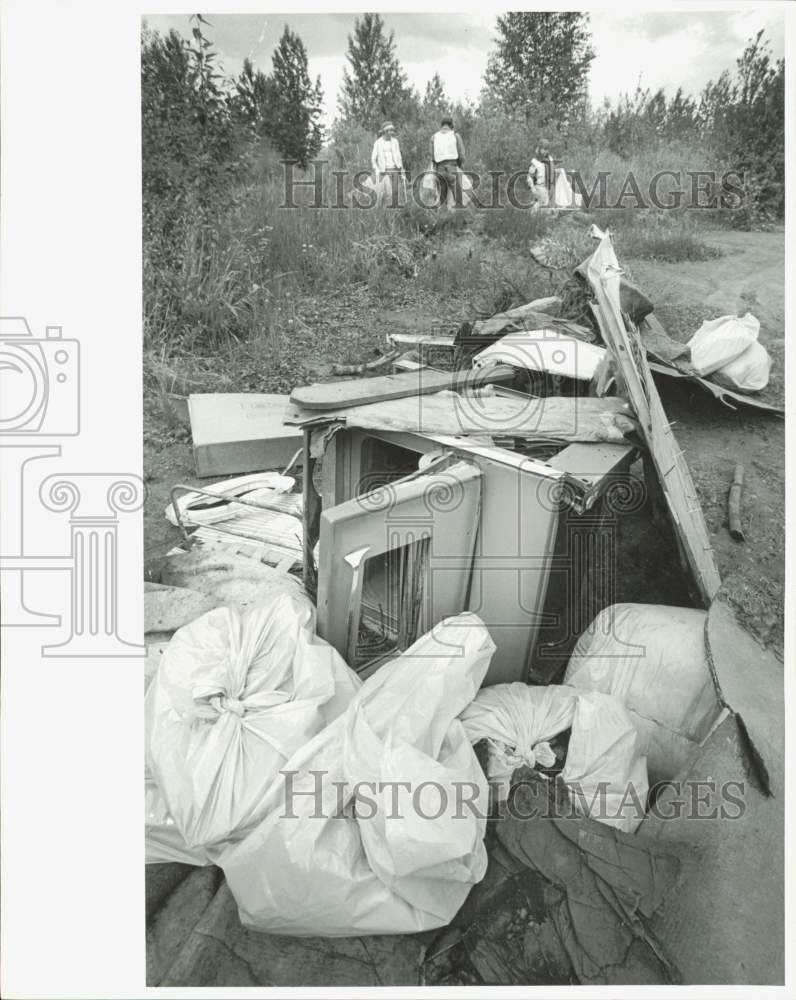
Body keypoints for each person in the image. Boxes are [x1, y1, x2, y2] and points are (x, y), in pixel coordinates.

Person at [430, 116, 466, 208]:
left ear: (442, 126)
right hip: (452, 167)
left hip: (439, 169)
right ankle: (459, 216)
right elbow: (461, 155)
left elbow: (432, 156)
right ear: (451, 125)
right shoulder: (455, 136)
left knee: (442, 198)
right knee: (458, 198)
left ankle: (441, 217)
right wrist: (460, 165)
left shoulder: (434, 137)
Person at [371, 121, 405, 206]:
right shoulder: (378, 143)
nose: (392, 133)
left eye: (392, 130)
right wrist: (377, 170)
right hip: (384, 171)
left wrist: (402, 169)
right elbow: (373, 159)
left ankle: (395, 213)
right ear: (385, 131)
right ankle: (385, 213)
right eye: (390, 131)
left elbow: (399, 156)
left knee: (396, 193)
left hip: (395, 169)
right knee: (388, 194)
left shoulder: (395, 142)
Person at [527, 139, 555, 209]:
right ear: (540, 149)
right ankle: (534, 215)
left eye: (547, 149)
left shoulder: (550, 159)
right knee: (541, 204)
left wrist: (551, 185)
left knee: (548, 205)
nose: (546, 151)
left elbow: (552, 173)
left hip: (548, 186)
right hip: (539, 187)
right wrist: (533, 188)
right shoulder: (535, 162)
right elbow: (530, 177)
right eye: (544, 149)